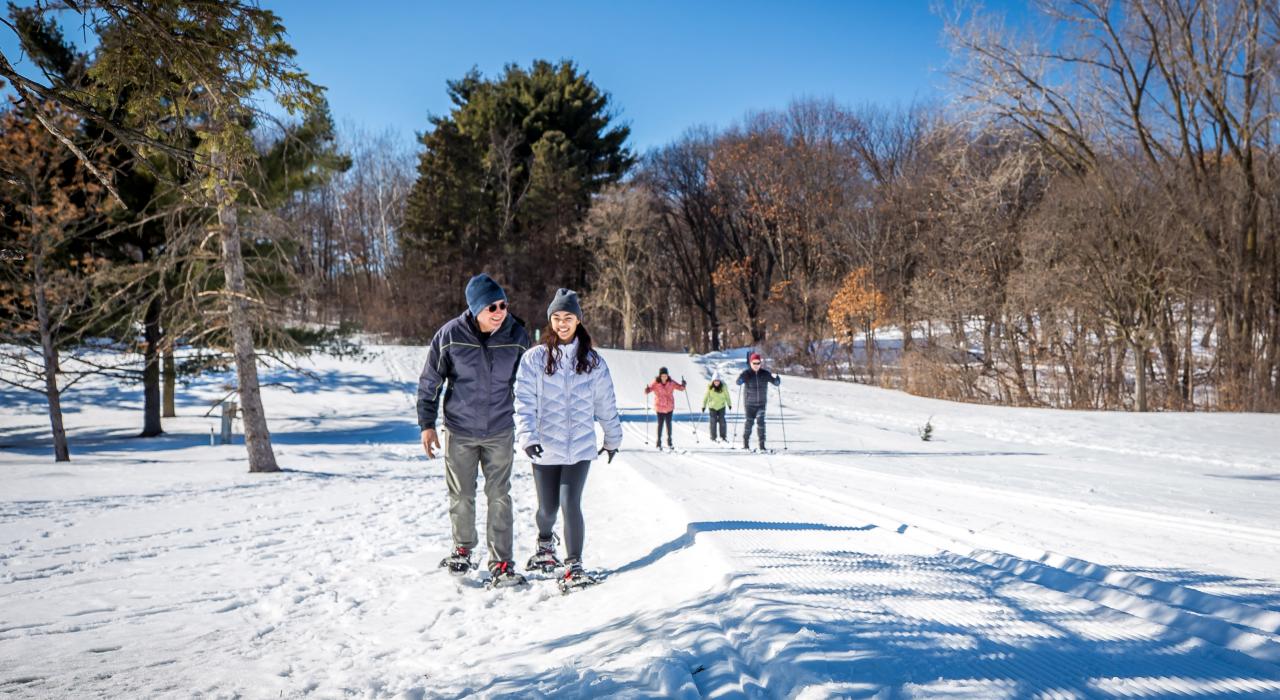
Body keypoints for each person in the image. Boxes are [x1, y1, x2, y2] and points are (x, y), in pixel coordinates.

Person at [417, 273, 530, 587]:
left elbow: (535, 382)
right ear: (475, 308)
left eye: (503, 304)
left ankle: (502, 562)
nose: (499, 311)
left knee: (499, 496)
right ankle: (463, 547)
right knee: (462, 495)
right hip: (460, 430)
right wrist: (427, 425)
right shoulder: (450, 335)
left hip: (500, 429)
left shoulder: (517, 336)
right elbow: (430, 383)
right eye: (492, 306)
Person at [514, 288, 622, 591]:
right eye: (557, 318)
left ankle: (574, 564)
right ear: (551, 320)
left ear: (578, 321)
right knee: (547, 509)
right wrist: (527, 437)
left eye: (569, 317)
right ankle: (545, 544)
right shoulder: (534, 359)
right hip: (545, 447)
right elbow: (523, 401)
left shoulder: (593, 362)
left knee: (570, 502)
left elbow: (606, 405)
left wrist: (612, 439)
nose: (563, 323)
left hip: (580, 448)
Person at [736, 351, 781, 451]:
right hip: (749, 404)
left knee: (761, 423)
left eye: (758, 363)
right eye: (754, 363)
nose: (756, 365)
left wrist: (777, 380)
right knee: (749, 423)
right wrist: (740, 380)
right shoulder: (747, 373)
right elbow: (738, 381)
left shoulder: (765, 374)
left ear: (760, 363)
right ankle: (746, 444)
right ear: (751, 363)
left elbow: (775, 383)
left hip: (761, 404)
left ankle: (762, 445)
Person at [644, 367, 686, 450]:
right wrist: (647, 390)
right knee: (660, 424)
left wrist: (683, 385)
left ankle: (669, 442)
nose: (664, 377)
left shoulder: (671, 383)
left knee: (668, 424)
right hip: (659, 407)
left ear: (667, 376)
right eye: (662, 376)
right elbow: (649, 390)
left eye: (665, 375)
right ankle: (658, 442)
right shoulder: (656, 383)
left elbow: (680, 388)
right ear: (660, 376)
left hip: (669, 407)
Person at [702, 374, 732, 443]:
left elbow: (727, 395)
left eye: (718, 381)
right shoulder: (709, 387)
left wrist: (729, 404)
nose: (716, 382)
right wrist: (703, 406)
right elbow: (706, 397)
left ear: (720, 381)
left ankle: (723, 437)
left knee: (722, 421)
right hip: (712, 407)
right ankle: (713, 437)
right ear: (713, 381)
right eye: (715, 381)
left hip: (721, 406)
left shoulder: (723, 387)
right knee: (713, 422)